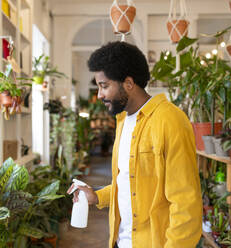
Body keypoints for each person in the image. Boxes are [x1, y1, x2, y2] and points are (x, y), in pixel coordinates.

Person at [67, 41, 202, 248]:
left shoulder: (170, 120)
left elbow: (186, 203)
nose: (100, 95)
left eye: (104, 86)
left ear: (128, 83)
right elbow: (131, 182)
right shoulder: (122, 121)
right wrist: (97, 196)